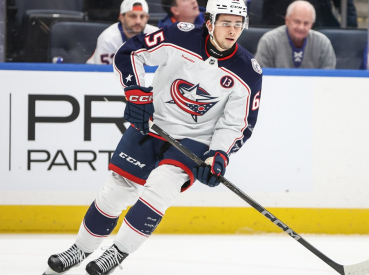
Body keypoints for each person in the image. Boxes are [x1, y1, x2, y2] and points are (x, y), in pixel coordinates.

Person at [43, 0, 262, 274]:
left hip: (193, 141)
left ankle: (117, 253)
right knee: (117, 190)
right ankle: (80, 249)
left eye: (238, 24)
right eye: (226, 23)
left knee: (160, 189)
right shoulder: (179, 36)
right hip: (153, 125)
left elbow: (238, 124)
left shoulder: (248, 70)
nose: (233, 30)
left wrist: (219, 154)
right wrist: (136, 92)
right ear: (209, 22)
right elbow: (131, 52)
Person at [255, 0, 336, 69]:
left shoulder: (323, 43)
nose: (301, 27)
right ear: (287, 20)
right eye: (297, 22)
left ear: (312, 24)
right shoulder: (269, 41)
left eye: (306, 23)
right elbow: (260, 75)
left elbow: (328, 77)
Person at [86, 0, 159, 65]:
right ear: (121, 17)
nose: (138, 21)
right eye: (133, 16)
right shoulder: (108, 39)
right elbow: (103, 75)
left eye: (142, 16)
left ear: (147, 18)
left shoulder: (157, 35)